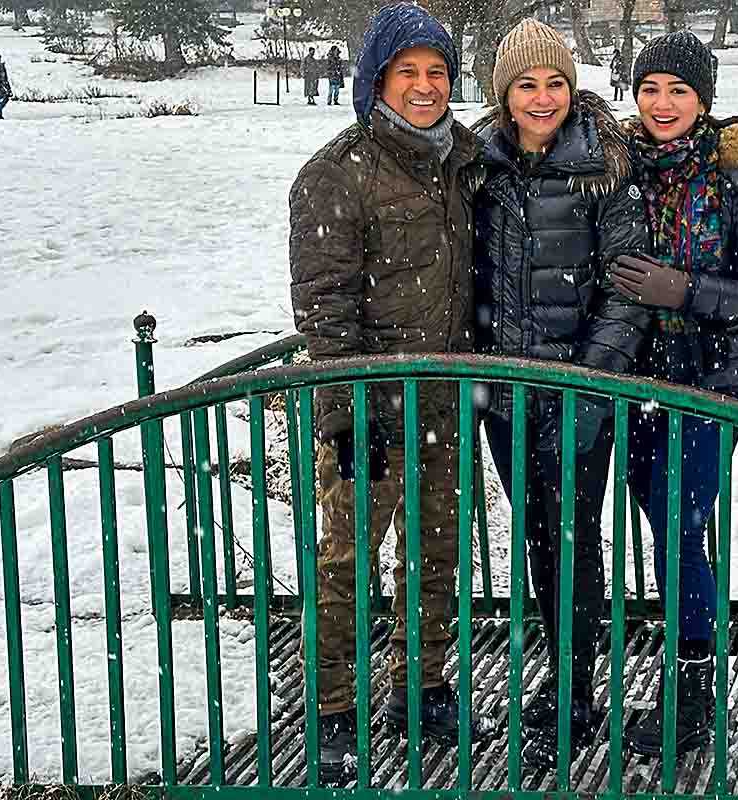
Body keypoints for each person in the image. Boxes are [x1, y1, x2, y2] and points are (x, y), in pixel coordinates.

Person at [287, 2, 488, 783]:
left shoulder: (465, 160)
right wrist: (344, 412)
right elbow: (325, 304)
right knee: (347, 560)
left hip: (447, 398)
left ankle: (423, 685)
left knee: (438, 553)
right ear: (376, 81)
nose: (425, 86)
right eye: (407, 72)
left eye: (437, 72)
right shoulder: (336, 174)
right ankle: (332, 704)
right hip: (368, 404)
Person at [472, 18, 651, 768]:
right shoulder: (476, 166)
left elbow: (629, 287)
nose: (542, 98)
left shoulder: (604, 166)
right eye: (526, 85)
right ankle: (558, 666)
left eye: (554, 83)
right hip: (504, 397)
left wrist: (589, 383)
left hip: (579, 390)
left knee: (571, 534)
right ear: (503, 93)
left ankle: (575, 688)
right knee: (539, 535)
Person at [610, 30, 738, 759]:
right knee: (659, 521)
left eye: (678, 90)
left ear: (704, 100)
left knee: (681, 528)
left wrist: (684, 289)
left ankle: (692, 683)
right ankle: (680, 646)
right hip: (630, 378)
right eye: (650, 88)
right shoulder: (617, 169)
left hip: (709, 382)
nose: (662, 103)